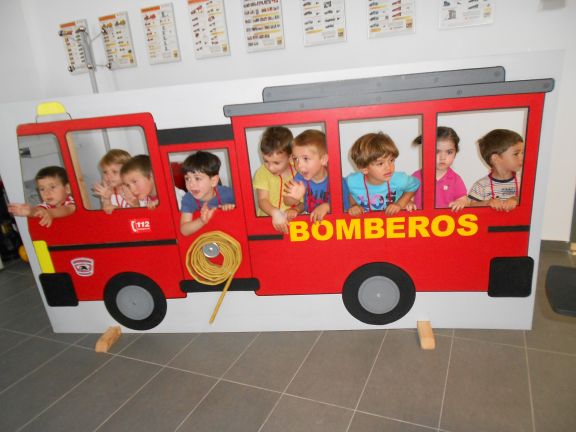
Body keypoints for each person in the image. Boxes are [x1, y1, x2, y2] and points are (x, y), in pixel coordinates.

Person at [346, 132, 419, 216]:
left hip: (394, 222)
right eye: (380, 164)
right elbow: (348, 193)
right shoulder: (352, 181)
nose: (389, 167)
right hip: (366, 223)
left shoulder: (400, 179)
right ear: (364, 169)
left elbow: (414, 185)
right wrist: (353, 205)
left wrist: (400, 204)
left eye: (391, 160)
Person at [411, 127, 468, 212]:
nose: (442, 157)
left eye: (449, 152)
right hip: (422, 219)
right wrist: (409, 203)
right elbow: (408, 197)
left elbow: (464, 200)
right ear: (426, 151)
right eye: (436, 151)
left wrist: (461, 202)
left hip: (446, 219)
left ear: (455, 153)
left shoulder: (456, 179)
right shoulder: (417, 177)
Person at [180, 151, 235, 236]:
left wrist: (232, 207)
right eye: (187, 179)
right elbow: (184, 230)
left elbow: (246, 210)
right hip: (205, 239)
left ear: (213, 181)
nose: (191, 184)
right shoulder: (188, 199)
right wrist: (201, 221)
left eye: (197, 178)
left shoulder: (229, 194)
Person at [252, 126, 296, 233]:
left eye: (276, 163)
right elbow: (262, 200)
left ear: (290, 157)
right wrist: (275, 213)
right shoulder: (262, 172)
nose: (270, 167)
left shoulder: (299, 170)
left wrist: (297, 209)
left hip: (294, 225)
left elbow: (305, 201)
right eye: (266, 161)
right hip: (267, 223)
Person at [468, 129, 524, 211]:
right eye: (516, 154)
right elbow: (471, 206)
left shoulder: (524, 182)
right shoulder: (481, 186)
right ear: (496, 159)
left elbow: (532, 201)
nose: (522, 157)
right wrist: (487, 203)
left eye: (523, 153)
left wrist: (516, 199)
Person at [283, 129, 330, 223]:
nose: (298, 165)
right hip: (310, 224)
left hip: (333, 224)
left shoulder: (336, 179)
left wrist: (327, 206)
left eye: (305, 158)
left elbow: (345, 205)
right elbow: (287, 201)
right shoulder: (300, 177)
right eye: (295, 159)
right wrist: (293, 200)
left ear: (323, 160)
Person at [8, 166, 75, 227]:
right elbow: (38, 211)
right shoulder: (45, 205)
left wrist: (50, 213)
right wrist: (30, 211)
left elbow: (67, 210)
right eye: (42, 189)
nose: (47, 193)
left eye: (52, 187)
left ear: (67, 188)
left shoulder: (72, 202)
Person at [93, 149, 137, 214]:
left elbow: (141, 213)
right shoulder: (106, 191)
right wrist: (106, 199)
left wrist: (118, 209)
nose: (109, 176)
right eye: (105, 172)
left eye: (114, 172)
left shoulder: (135, 190)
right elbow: (106, 213)